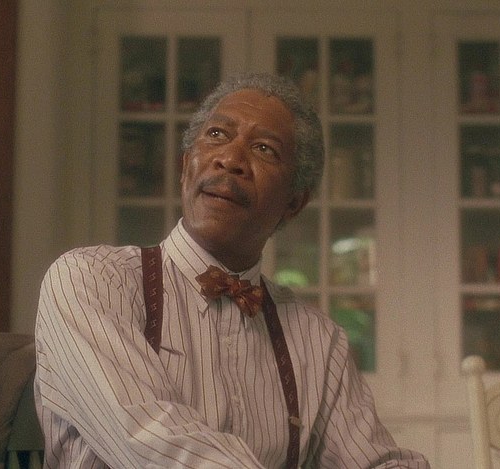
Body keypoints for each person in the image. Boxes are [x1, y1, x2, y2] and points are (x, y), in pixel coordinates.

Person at [34, 73, 430, 468]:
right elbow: (152, 443)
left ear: (294, 203)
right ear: (186, 167)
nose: (230, 159)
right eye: (217, 134)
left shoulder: (319, 342)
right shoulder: (91, 281)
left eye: (264, 149)